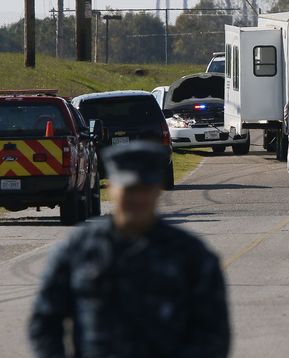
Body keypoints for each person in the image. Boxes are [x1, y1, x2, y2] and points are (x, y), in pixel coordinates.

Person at [28, 141, 231, 357]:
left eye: (145, 189)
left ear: (157, 190)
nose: (137, 198)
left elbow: (214, 333)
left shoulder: (190, 255)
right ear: (111, 188)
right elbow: (45, 321)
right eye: (130, 189)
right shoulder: (79, 250)